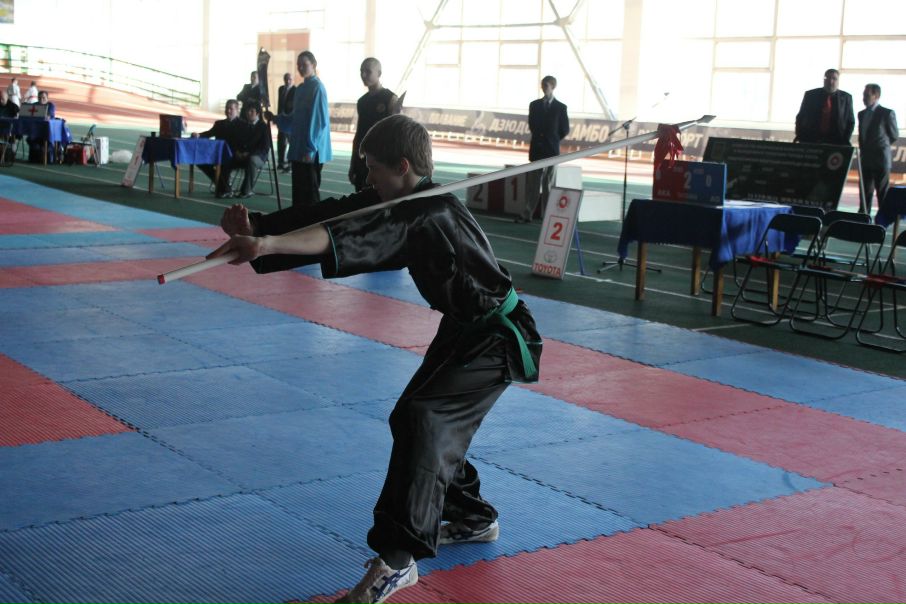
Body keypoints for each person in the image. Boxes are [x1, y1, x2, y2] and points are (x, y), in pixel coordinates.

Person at [210, 114, 541, 604]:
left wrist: (267, 245)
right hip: (464, 328)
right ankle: (472, 516)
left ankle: (398, 559)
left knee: (425, 418)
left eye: (373, 168)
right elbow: (337, 216)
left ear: (402, 166)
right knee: (416, 421)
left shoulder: (428, 214)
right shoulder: (401, 199)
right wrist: (259, 229)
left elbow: (347, 240)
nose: (367, 178)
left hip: (498, 337)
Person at [269, 50, 332, 207]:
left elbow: (318, 122)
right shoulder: (301, 89)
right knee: (298, 193)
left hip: (311, 151)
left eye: (304, 64)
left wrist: (310, 149)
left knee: (310, 194)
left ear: (314, 65)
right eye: (298, 65)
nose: (301, 68)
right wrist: (276, 118)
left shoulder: (317, 88)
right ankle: (298, 221)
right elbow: (294, 118)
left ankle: (313, 222)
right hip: (298, 148)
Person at [517, 75, 569, 223]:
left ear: (553, 87)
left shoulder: (561, 107)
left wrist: (552, 139)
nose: (544, 88)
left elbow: (564, 129)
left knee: (549, 184)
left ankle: (547, 215)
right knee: (533, 184)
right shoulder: (534, 105)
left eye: (546, 85)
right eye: (542, 85)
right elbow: (532, 125)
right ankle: (527, 214)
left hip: (552, 150)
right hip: (537, 149)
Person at [349, 57, 399, 191]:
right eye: (361, 71)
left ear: (379, 73)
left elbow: (397, 135)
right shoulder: (362, 102)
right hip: (362, 159)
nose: (363, 75)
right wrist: (353, 163)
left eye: (368, 71)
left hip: (380, 160)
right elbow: (359, 133)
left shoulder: (390, 99)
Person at [858, 83, 899, 216]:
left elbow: (894, 135)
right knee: (865, 192)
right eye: (863, 95)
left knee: (882, 193)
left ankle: (882, 219)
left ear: (876, 96)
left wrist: (880, 146)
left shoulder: (886, 113)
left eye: (867, 95)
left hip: (881, 160)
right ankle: (863, 216)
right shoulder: (861, 114)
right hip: (865, 159)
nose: (864, 98)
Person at [193, 99, 243, 198]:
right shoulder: (219, 124)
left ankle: (223, 188)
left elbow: (244, 142)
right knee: (200, 161)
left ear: (237, 110)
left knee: (225, 163)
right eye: (227, 108)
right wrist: (199, 135)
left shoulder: (243, 125)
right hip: (218, 155)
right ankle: (224, 187)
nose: (228, 111)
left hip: (234, 156)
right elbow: (209, 133)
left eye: (231, 109)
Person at [794, 69, 855, 145]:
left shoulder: (846, 97)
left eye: (834, 79)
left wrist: (845, 139)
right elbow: (801, 116)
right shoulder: (811, 95)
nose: (830, 81)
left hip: (837, 141)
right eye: (827, 78)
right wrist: (800, 136)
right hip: (811, 140)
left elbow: (850, 121)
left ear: (838, 81)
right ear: (824, 79)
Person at [229, 101, 271, 199]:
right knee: (225, 157)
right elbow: (236, 141)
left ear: (258, 113)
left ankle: (246, 191)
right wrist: (237, 152)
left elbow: (265, 147)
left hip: (259, 156)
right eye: (248, 111)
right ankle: (224, 188)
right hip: (242, 154)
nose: (249, 113)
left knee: (251, 160)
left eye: (252, 111)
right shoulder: (242, 125)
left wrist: (249, 154)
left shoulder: (263, 127)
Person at [276, 72, 295, 172]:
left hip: (290, 120)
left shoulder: (295, 90)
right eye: (286, 79)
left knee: (291, 143)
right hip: (281, 119)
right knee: (281, 141)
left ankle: (290, 164)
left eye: (290, 79)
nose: (288, 81)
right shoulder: (280, 89)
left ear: (293, 80)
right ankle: (280, 163)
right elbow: (279, 104)